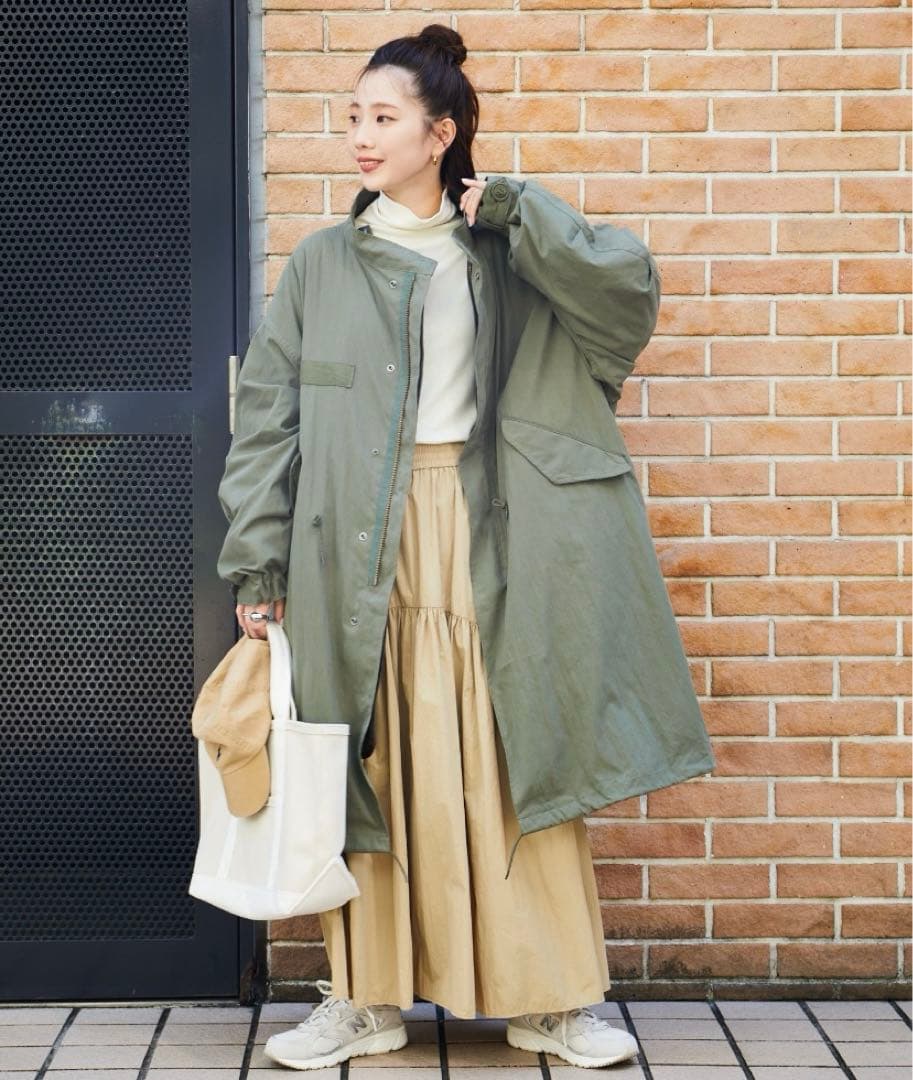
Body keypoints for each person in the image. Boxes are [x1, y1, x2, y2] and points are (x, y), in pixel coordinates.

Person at [217, 21, 714, 1074]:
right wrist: (257, 562)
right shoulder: (321, 264)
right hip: (355, 540)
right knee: (368, 758)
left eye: (382, 116)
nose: (359, 135)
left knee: (513, 745)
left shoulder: (510, 254)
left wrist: (523, 211)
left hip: (497, 529)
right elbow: (267, 420)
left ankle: (554, 1001)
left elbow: (626, 294)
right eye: (352, 116)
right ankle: (364, 998)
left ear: (440, 134)